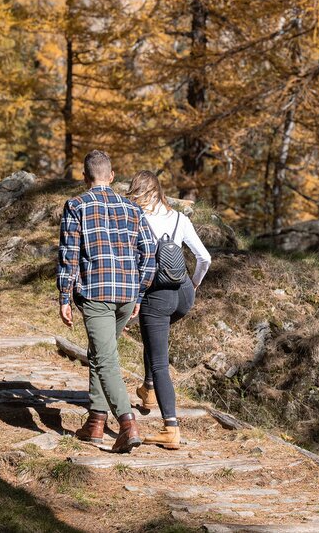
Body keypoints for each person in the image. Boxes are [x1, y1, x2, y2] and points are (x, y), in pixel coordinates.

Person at [57, 150, 157, 453]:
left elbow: (68, 255)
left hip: (97, 293)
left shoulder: (76, 205)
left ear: (85, 178)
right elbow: (149, 251)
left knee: (105, 359)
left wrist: (64, 295)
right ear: (111, 176)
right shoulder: (132, 208)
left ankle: (127, 425)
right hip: (126, 294)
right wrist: (140, 291)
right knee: (101, 353)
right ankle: (96, 422)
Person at [126, 170, 211, 450]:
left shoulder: (137, 219)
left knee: (161, 362)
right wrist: (194, 284)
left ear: (140, 193)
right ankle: (148, 389)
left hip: (156, 296)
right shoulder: (180, 218)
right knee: (155, 340)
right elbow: (204, 258)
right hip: (184, 294)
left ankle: (170, 427)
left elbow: (130, 264)